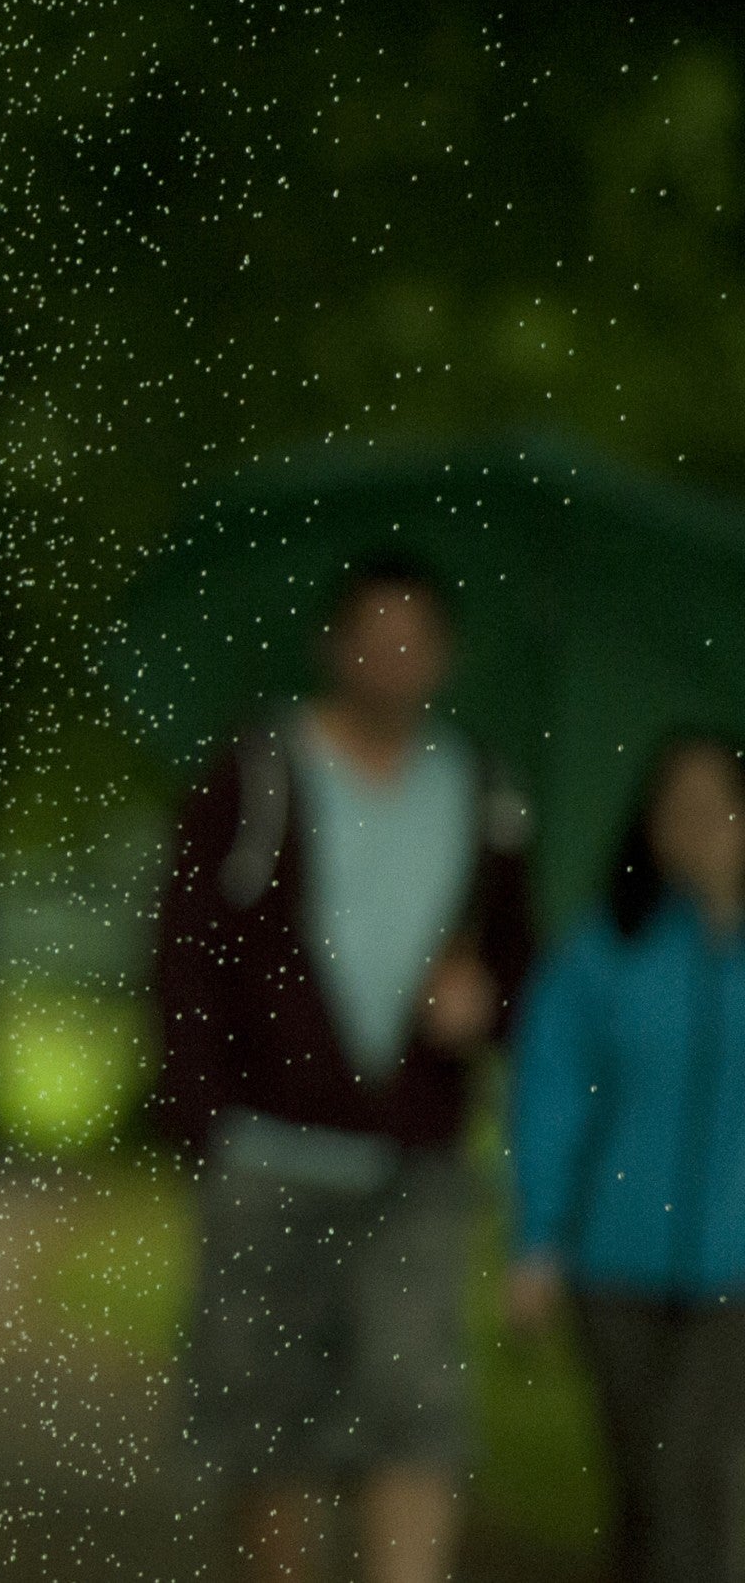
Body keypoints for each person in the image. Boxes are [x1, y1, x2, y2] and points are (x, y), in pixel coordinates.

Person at [152, 555, 534, 1583]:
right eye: (375, 636)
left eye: (415, 640)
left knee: (417, 1412)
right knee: (267, 1422)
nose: (393, 660)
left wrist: (484, 1002)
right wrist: (203, 1117)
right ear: (335, 645)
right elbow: (186, 949)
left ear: (443, 658)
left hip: (418, 1157)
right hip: (270, 1147)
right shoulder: (259, 771)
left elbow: (517, 958)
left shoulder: (484, 789)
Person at [506, 736, 745, 1583]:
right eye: (677, 809)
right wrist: (537, 1238)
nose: (698, 827)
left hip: (732, 1274)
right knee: (641, 1484)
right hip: (615, 1265)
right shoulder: (605, 948)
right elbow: (551, 1096)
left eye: (718, 805)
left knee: (693, 1467)